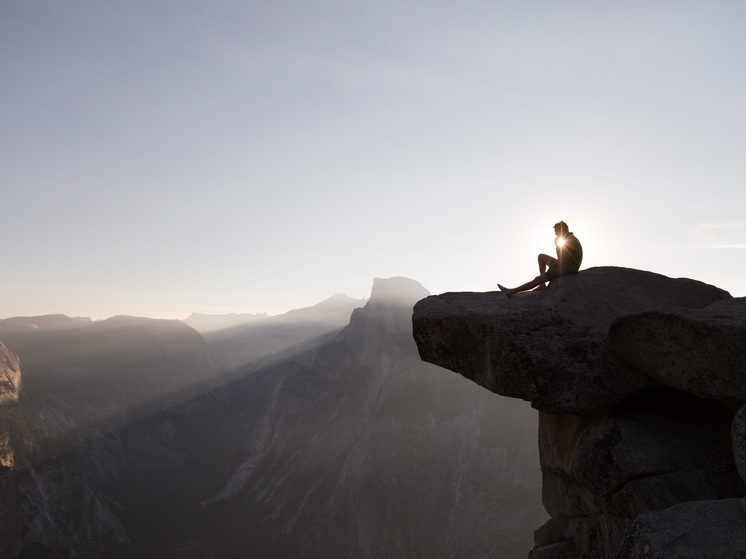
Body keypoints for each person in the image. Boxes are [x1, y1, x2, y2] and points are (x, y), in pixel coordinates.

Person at [498, 221, 583, 298]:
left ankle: (511, 291)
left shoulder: (570, 240)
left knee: (538, 278)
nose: (556, 235)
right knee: (541, 257)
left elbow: (562, 260)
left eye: (556, 233)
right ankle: (542, 285)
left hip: (567, 267)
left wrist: (550, 269)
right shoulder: (568, 238)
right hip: (564, 263)